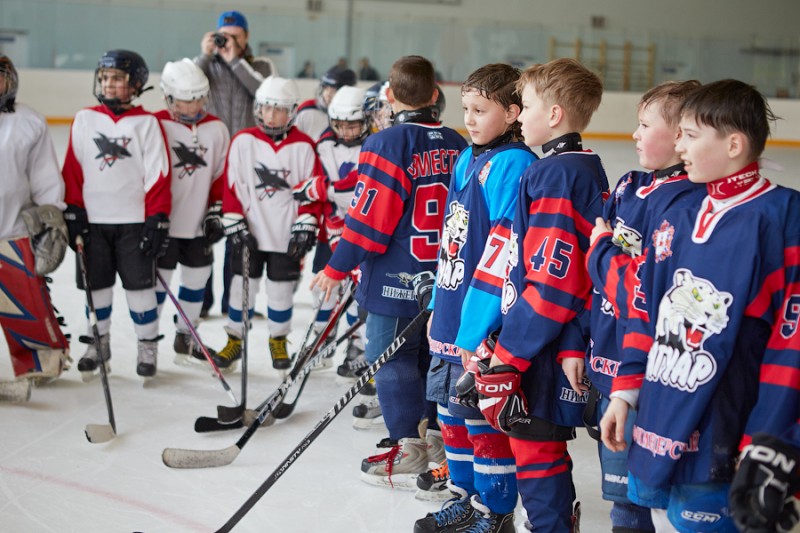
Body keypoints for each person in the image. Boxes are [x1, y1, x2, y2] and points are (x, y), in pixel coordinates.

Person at [599, 79, 800, 533]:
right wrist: (625, 392)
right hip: (662, 420)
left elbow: (790, 344)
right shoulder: (678, 216)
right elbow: (643, 307)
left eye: (691, 135)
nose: (679, 144)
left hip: (727, 434)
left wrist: (772, 440)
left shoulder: (781, 217)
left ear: (733, 143)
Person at [311, 55, 467, 489]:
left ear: (391, 97)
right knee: (431, 357)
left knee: (393, 359)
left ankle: (407, 446)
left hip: (396, 277)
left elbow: (368, 220)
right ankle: (436, 439)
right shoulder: (457, 142)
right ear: (436, 95)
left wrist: (336, 265)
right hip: (443, 278)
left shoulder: (385, 143)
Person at [473, 58, 606, 531]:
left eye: (525, 106)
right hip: (543, 341)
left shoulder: (558, 175)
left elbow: (554, 284)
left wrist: (507, 356)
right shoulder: (573, 168)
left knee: (537, 450)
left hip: (537, 350)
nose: (519, 115)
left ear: (553, 115)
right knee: (536, 448)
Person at [413, 63, 538, 531]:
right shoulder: (468, 157)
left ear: (512, 113)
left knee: (482, 420)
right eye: (465, 108)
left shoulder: (515, 165)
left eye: (481, 110)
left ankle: (496, 510)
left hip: (481, 322)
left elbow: (507, 254)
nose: (469, 119)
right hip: (450, 311)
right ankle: (464, 498)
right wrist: (434, 306)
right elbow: (451, 239)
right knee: (451, 416)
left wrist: (481, 326)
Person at [584, 80, 703, 533]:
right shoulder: (629, 187)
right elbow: (598, 287)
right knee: (620, 496)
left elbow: (641, 291)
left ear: (680, 137)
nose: (634, 134)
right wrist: (581, 344)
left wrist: (600, 250)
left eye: (644, 125)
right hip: (609, 360)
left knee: (639, 503)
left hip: (652, 375)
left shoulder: (687, 204)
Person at [62, 49, 171, 380]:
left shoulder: (147, 123)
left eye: (118, 79)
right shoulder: (84, 118)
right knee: (96, 288)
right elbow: (72, 169)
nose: (109, 85)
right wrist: (73, 211)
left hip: (134, 223)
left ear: (136, 84)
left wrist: (157, 218)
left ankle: (147, 345)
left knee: (140, 289)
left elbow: (158, 175)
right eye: (105, 78)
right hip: (94, 223)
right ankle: (98, 343)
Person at [213, 76, 323, 373]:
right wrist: (234, 222)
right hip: (249, 232)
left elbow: (311, 192)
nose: (271, 116)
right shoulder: (243, 141)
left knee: (281, 291)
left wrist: (306, 223)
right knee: (240, 288)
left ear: (292, 112)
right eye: (266, 109)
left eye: (279, 110)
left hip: (284, 236)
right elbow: (231, 188)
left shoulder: (304, 146)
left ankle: (278, 339)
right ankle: (234, 338)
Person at [195, 9, 272, 318]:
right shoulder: (207, 65)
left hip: (246, 161)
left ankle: (235, 303)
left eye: (235, 36)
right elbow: (189, 86)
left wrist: (234, 60)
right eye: (223, 35)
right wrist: (204, 55)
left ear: (246, 37)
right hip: (209, 159)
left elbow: (263, 92)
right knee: (202, 230)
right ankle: (200, 302)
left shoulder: (260, 65)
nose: (228, 41)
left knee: (240, 233)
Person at [0, 55, 70, 390]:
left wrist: (51, 215)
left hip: (12, 231)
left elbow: (43, 175)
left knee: (24, 298)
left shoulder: (28, 122)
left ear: (10, 82)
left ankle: (40, 361)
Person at [153, 59, 230, 365]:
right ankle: (149, 341)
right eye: (187, 100)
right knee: (157, 286)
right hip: (163, 225)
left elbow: (220, 177)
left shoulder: (216, 128)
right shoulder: (155, 124)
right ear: (169, 97)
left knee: (197, 280)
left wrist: (216, 211)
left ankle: (186, 336)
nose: (196, 105)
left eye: (200, 97)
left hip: (198, 225)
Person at [291, 85, 370, 376]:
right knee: (323, 289)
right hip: (331, 232)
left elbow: (359, 187)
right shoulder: (323, 144)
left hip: (362, 235)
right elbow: (320, 194)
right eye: (341, 125)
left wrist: (323, 190)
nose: (347, 132)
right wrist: (332, 225)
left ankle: (355, 345)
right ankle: (321, 339)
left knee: (356, 292)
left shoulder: (373, 145)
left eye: (354, 125)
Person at [294, 66, 356, 142]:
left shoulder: (354, 117)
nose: (328, 94)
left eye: (334, 90)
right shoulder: (306, 110)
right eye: (326, 88)